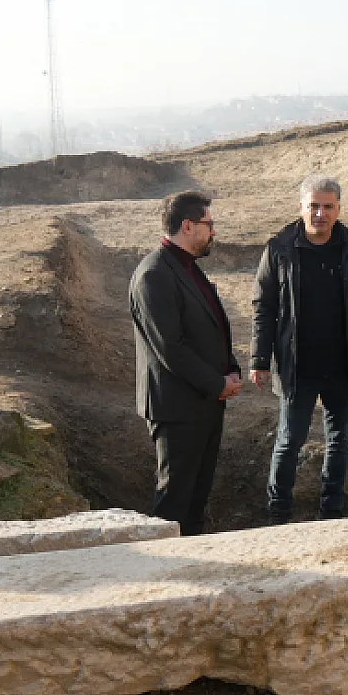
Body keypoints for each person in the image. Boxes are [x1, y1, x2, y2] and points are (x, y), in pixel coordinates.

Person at [251, 174, 348, 523]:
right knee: (289, 441)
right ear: (301, 207)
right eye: (314, 206)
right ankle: (278, 513)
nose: (320, 213)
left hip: (344, 365)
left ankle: (331, 511)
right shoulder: (279, 250)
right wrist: (259, 359)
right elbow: (263, 307)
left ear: (338, 209)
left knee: (340, 441)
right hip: (297, 367)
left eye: (328, 206)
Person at [129, 190, 241, 535]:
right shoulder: (154, 274)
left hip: (204, 402)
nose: (213, 231)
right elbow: (170, 347)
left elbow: (210, 327)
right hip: (178, 408)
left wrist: (230, 368)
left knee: (196, 500)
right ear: (188, 226)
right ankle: (166, 563)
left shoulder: (187, 269)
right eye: (209, 224)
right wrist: (217, 383)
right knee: (174, 501)